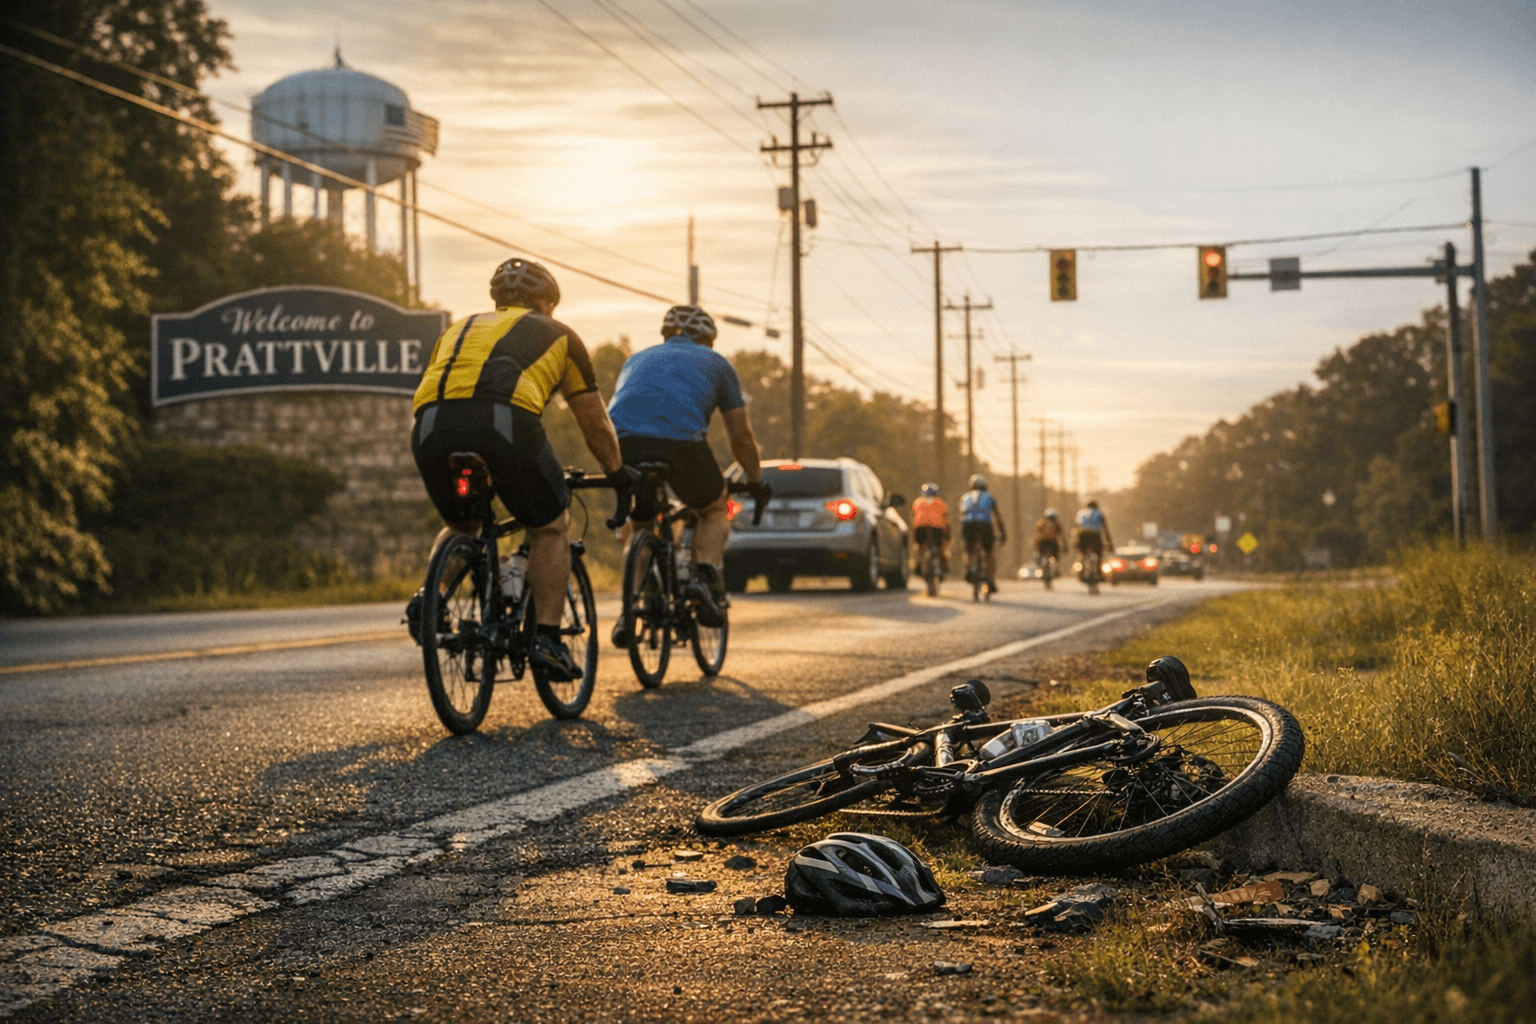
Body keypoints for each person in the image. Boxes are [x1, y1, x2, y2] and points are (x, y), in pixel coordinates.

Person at [407, 258, 637, 680]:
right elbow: (594, 421)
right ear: (546, 303)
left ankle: (432, 596)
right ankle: (547, 640)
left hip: (430, 427)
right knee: (550, 527)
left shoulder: (458, 329)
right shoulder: (560, 335)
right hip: (502, 424)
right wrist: (618, 473)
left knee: (462, 523)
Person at [606, 304, 767, 636]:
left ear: (666, 334)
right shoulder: (718, 363)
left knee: (639, 524)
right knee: (713, 507)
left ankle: (629, 609)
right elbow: (741, 435)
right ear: (708, 339)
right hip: (681, 444)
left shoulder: (635, 359)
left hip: (624, 444)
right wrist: (755, 479)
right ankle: (704, 575)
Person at [959, 474, 1006, 594]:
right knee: (989, 553)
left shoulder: (965, 497)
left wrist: (963, 533)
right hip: (985, 526)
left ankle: (969, 568)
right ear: (985, 486)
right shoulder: (989, 497)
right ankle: (990, 580)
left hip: (969, 525)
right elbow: (997, 517)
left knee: (969, 551)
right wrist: (1002, 532)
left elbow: (962, 515)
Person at [909, 483, 951, 582]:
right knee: (941, 547)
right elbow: (947, 520)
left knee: (920, 547)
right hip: (937, 528)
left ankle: (919, 562)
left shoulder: (917, 502)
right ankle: (943, 565)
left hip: (920, 528)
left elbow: (914, 518)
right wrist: (948, 535)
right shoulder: (941, 502)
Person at [1074, 499, 1116, 565]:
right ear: (1096, 506)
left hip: (1083, 535)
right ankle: (1099, 569)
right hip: (1095, 535)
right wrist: (1110, 543)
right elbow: (1105, 529)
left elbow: (1077, 527)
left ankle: (1081, 566)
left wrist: (1075, 541)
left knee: (1082, 552)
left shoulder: (1081, 513)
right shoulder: (1099, 512)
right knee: (1099, 553)